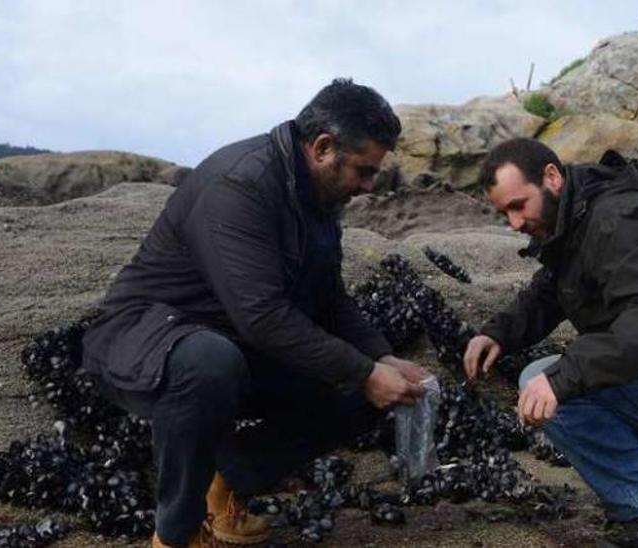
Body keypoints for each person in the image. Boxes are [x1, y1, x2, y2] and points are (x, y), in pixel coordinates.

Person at [82, 78, 429, 548]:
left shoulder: (319, 198)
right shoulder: (240, 184)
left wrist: (380, 360)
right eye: (364, 171)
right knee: (209, 362)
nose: (368, 187)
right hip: (146, 341)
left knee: (364, 392)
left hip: (235, 346)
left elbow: (329, 298)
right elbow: (262, 317)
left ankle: (225, 486)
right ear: (323, 147)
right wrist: (364, 370)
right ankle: (176, 537)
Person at [462, 138, 638, 548]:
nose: (514, 223)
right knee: (542, 378)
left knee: (552, 392)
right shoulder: (574, 214)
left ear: (551, 177)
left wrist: (563, 379)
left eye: (518, 205)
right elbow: (551, 290)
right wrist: (498, 332)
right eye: (504, 213)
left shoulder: (615, 218)